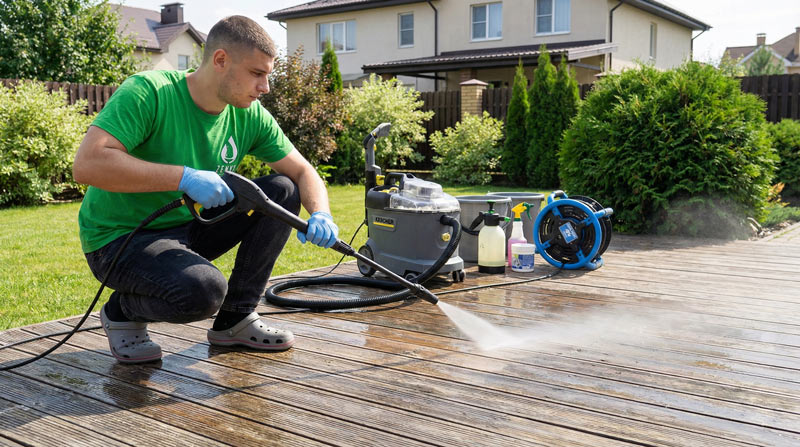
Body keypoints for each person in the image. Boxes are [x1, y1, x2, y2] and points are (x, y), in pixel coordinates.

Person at [72, 16, 338, 364]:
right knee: (202, 292)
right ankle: (122, 311)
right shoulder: (150, 92)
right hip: (120, 239)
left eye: (268, 75)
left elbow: (303, 171)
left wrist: (321, 212)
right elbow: (87, 164)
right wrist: (183, 177)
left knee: (282, 190)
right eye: (258, 73)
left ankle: (236, 319)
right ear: (221, 60)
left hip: (188, 225)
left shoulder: (249, 115)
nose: (266, 87)